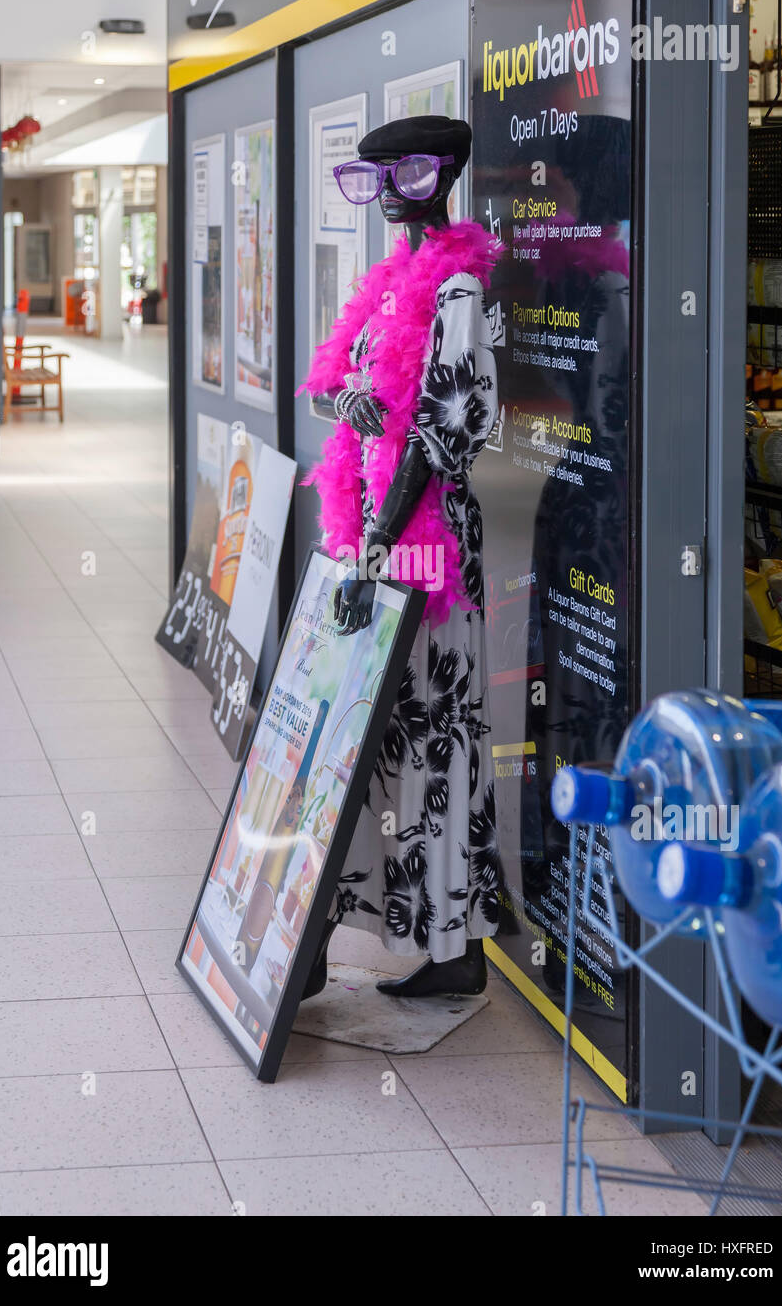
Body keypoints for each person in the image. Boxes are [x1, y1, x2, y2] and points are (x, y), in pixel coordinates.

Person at [300, 115, 503, 998]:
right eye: (370, 178)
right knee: (379, 733)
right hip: (376, 535)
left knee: (429, 731)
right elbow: (334, 391)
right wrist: (351, 402)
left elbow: (449, 427)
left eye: (403, 176)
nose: (384, 194)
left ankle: (451, 949)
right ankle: (424, 947)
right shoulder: (387, 282)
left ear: (442, 175)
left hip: (424, 551)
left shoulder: (458, 289)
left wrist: (379, 545)